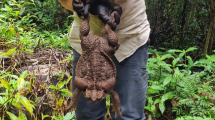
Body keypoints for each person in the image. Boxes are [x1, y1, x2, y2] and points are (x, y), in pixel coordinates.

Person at [58, 0, 151, 120]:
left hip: (129, 35)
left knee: (128, 115)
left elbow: (112, 92)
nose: (93, 97)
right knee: (86, 116)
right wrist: (79, 5)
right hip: (86, 44)